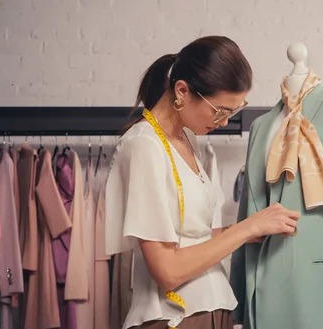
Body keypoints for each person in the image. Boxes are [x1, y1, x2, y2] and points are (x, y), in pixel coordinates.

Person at [104, 35, 300, 329]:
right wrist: (248, 227)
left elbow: (197, 235)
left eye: (233, 112)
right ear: (182, 90)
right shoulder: (144, 145)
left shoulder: (188, 140)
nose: (223, 122)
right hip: (174, 317)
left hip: (212, 311)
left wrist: (246, 231)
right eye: (219, 111)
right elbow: (167, 271)